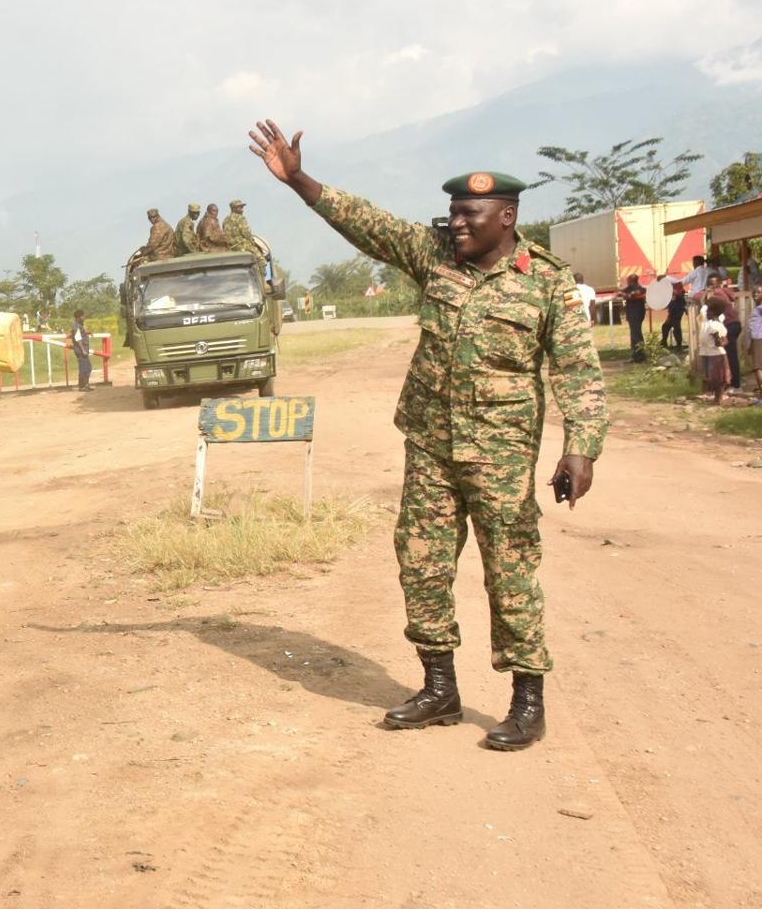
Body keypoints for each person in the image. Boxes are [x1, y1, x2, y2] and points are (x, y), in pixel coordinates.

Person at [249, 120, 606, 752]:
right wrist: (299, 179)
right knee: (422, 564)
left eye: (470, 215)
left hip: (500, 454)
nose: (457, 225)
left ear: (507, 216)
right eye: (452, 214)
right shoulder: (433, 255)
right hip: (430, 449)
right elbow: (367, 222)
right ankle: (439, 687)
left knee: (510, 572)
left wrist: (580, 447)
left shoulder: (546, 282)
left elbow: (578, 372)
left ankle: (527, 701)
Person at [700, 296, 731, 404]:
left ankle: (718, 399)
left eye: (708, 311)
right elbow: (725, 341)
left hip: (716, 355)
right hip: (712, 353)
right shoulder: (713, 324)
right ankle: (716, 398)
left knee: (717, 378)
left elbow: (721, 341)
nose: (706, 313)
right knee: (714, 377)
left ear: (713, 312)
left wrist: (717, 340)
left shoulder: (715, 326)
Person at [620, 273, 647, 362]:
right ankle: (637, 355)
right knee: (635, 334)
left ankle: (638, 356)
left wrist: (624, 295)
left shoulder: (639, 289)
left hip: (636, 314)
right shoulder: (630, 288)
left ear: (631, 281)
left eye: (628, 280)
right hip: (633, 314)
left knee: (636, 335)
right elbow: (623, 292)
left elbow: (633, 295)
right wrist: (621, 292)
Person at [661, 277, 688, 351]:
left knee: (675, 328)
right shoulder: (673, 289)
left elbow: (678, 297)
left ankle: (678, 345)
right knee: (666, 327)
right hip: (675, 311)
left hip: (676, 311)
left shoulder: (676, 289)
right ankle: (664, 342)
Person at [69, 309, 92, 390]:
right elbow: (78, 339)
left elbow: (80, 335)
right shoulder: (76, 326)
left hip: (83, 349)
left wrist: (87, 333)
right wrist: (83, 350)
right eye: (83, 316)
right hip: (81, 349)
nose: (84, 317)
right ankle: (82, 386)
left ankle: (85, 385)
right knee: (84, 368)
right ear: (79, 317)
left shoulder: (79, 325)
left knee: (87, 367)